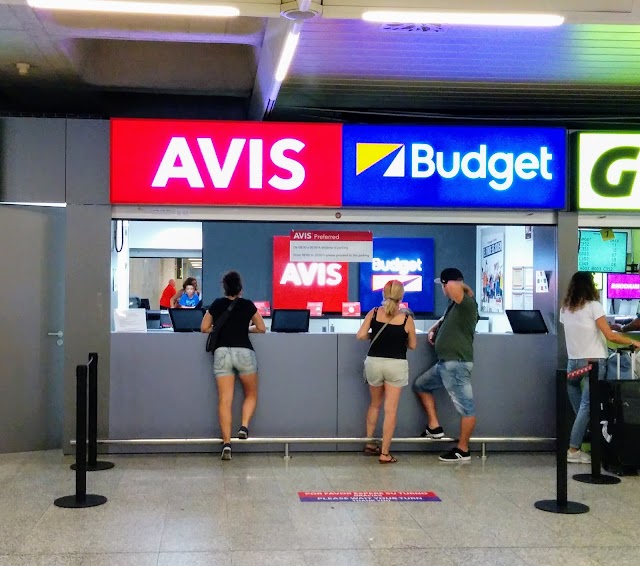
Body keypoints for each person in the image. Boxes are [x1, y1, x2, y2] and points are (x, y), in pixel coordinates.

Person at [560, 272, 640, 463]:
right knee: (587, 406)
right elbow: (610, 336)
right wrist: (634, 342)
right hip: (593, 362)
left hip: (573, 362)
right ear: (591, 286)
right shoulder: (594, 306)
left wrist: (608, 327)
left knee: (581, 405)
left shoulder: (565, 309)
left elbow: (583, 329)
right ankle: (573, 449)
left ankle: (584, 430)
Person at [413, 268, 478, 463]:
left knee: (467, 408)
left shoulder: (466, 303)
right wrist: (435, 329)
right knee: (421, 385)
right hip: (444, 365)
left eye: (443, 285)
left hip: (456, 364)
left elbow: (452, 285)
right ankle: (434, 426)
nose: (443, 289)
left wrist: (459, 284)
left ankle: (463, 449)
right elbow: (445, 320)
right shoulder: (454, 306)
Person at [201, 271, 266, 461]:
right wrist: (244, 328)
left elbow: (204, 328)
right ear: (240, 288)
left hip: (222, 353)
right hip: (244, 352)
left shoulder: (216, 304)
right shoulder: (247, 305)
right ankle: (244, 427)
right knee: (251, 394)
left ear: (224, 287)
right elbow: (262, 328)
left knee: (224, 400)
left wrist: (221, 328)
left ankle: (227, 444)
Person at [357, 280, 417, 464]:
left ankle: (369, 443)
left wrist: (375, 335)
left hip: (374, 362)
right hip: (396, 365)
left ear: (383, 294)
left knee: (375, 404)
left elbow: (360, 335)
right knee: (390, 411)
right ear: (402, 296)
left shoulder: (374, 312)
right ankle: (384, 453)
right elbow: (413, 345)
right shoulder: (407, 319)